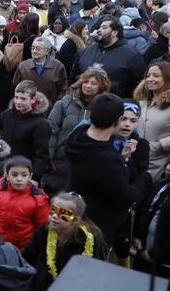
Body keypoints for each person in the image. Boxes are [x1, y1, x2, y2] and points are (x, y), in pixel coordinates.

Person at [65, 93, 152, 250]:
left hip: (74, 216)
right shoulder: (105, 158)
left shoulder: (79, 136)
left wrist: (123, 159)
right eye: (124, 119)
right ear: (117, 120)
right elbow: (127, 196)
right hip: (93, 230)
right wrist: (146, 178)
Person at [23, 192, 106, 291]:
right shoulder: (45, 231)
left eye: (63, 213)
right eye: (53, 210)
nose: (55, 216)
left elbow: (95, 272)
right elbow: (29, 258)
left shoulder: (90, 242)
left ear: (76, 220)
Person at [44, 66, 111, 194]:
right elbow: (51, 130)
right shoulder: (63, 104)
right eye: (86, 82)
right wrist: (49, 158)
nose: (88, 86)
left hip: (87, 163)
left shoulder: (105, 108)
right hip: (60, 161)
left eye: (93, 83)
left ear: (101, 86)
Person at [134, 61, 170, 182]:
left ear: (168, 78)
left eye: (156, 75)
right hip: (137, 162)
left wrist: (160, 145)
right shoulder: (142, 101)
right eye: (148, 75)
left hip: (160, 167)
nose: (150, 79)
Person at [0, 156, 50, 251]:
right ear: (7, 176)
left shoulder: (38, 201)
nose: (19, 179)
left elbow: (41, 228)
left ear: (30, 176)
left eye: (24, 175)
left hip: (22, 249)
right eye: (14, 175)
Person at [0, 80, 50, 182]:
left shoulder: (40, 124)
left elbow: (41, 155)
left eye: (23, 99)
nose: (18, 102)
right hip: (4, 169)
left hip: (23, 174)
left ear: (33, 100)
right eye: (16, 97)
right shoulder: (8, 114)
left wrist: (35, 178)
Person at [72, 17, 145, 98]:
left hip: (114, 105)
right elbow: (74, 76)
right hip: (83, 103)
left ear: (114, 32)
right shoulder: (86, 51)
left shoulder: (131, 54)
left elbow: (140, 84)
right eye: (99, 27)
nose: (99, 30)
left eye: (104, 28)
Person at [12, 37, 68, 104]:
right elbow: (15, 87)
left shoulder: (58, 66)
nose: (34, 51)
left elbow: (63, 89)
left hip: (49, 108)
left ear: (47, 51)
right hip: (27, 107)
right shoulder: (23, 66)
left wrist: (55, 104)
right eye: (32, 48)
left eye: (38, 49)